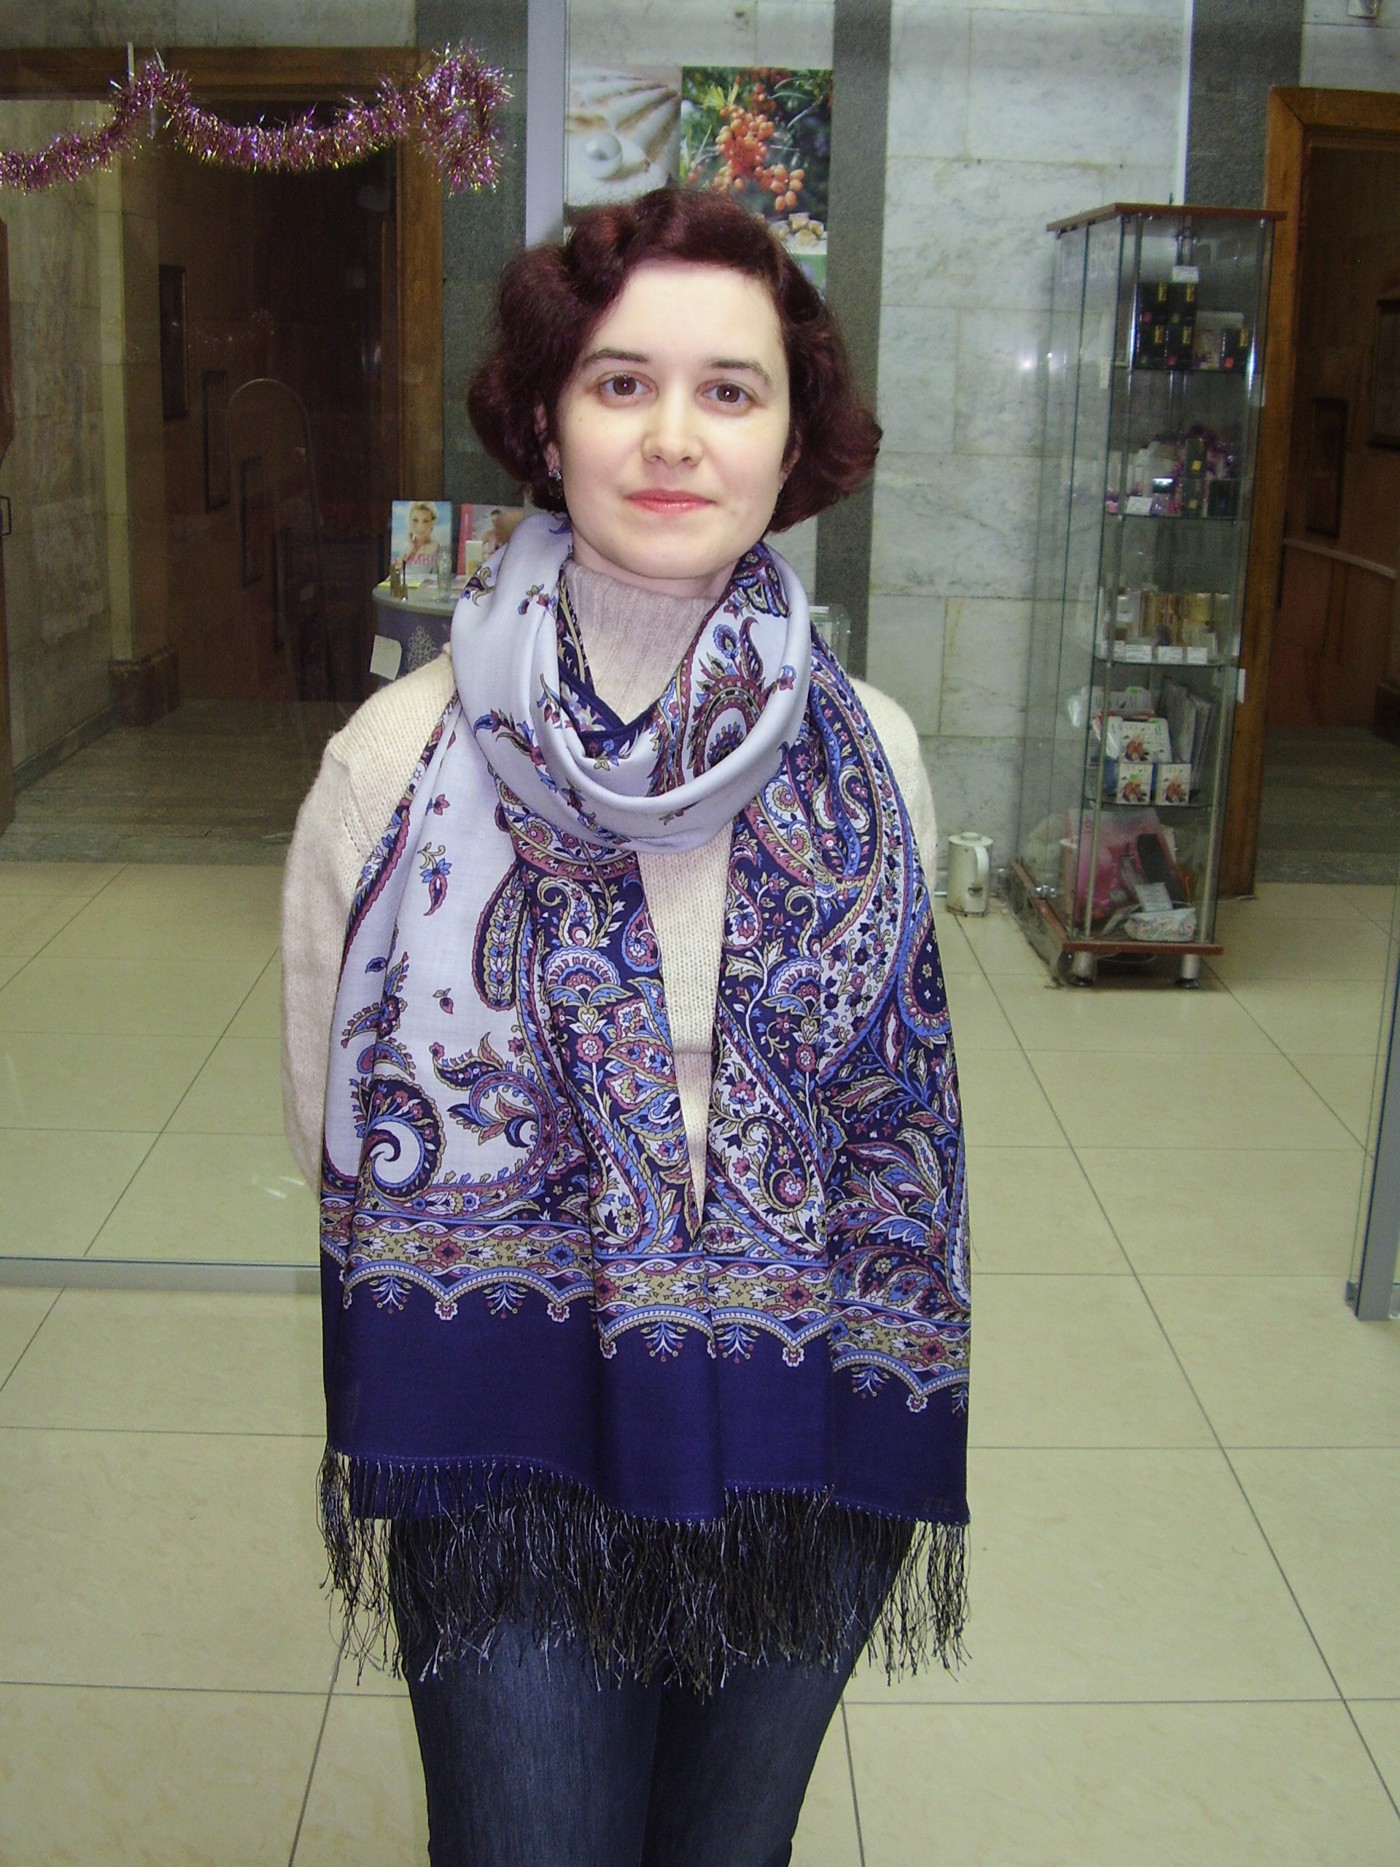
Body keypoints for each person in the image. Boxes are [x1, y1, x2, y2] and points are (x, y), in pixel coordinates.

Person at [281, 185, 969, 1867]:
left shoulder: (876, 754)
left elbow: (885, 1113)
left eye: (730, 390)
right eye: (620, 382)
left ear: (793, 438)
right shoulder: (397, 758)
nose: (674, 437)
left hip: (805, 1427)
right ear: (545, 421)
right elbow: (331, 1132)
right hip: (511, 1440)